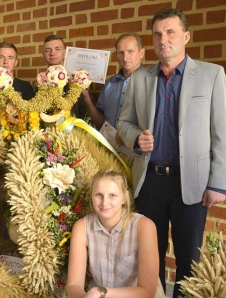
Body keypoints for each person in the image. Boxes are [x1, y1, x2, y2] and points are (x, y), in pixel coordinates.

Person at [117, 8, 226, 298]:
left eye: (170, 32)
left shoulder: (212, 74)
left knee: (189, 259)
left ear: (186, 36)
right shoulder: (140, 78)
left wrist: (218, 182)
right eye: (157, 33)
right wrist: (136, 138)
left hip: (191, 183)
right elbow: (122, 123)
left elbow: (221, 132)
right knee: (149, 255)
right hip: (149, 182)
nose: (163, 39)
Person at [67, 170, 164, 298]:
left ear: (124, 198)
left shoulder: (144, 226)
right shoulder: (82, 227)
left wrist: (102, 293)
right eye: (99, 195)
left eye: (112, 195)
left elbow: (147, 292)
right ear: (91, 195)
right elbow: (73, 285)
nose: (104, 203)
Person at [83, 33, 145, 131]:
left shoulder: (150, 83)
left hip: (134, 146)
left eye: (130, 52)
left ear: (141, 53)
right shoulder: (109, 84)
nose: (125, 58)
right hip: (107, 144)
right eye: (121, 52)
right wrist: (86, 96)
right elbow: (99, 122)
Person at [0, 41, 35, 123]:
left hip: (17, 134)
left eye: (10, 57)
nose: (6, 61)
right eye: (1, 57)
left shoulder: (25, 87)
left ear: (16, 62)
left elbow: (31, 116)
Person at [42, 34, 91, 119]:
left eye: (57, 49)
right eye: (48, 50)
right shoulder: (40, 82)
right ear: (44, 55)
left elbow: (86, 114)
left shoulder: (77, 80)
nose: (52, 53)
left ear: (65, 53)